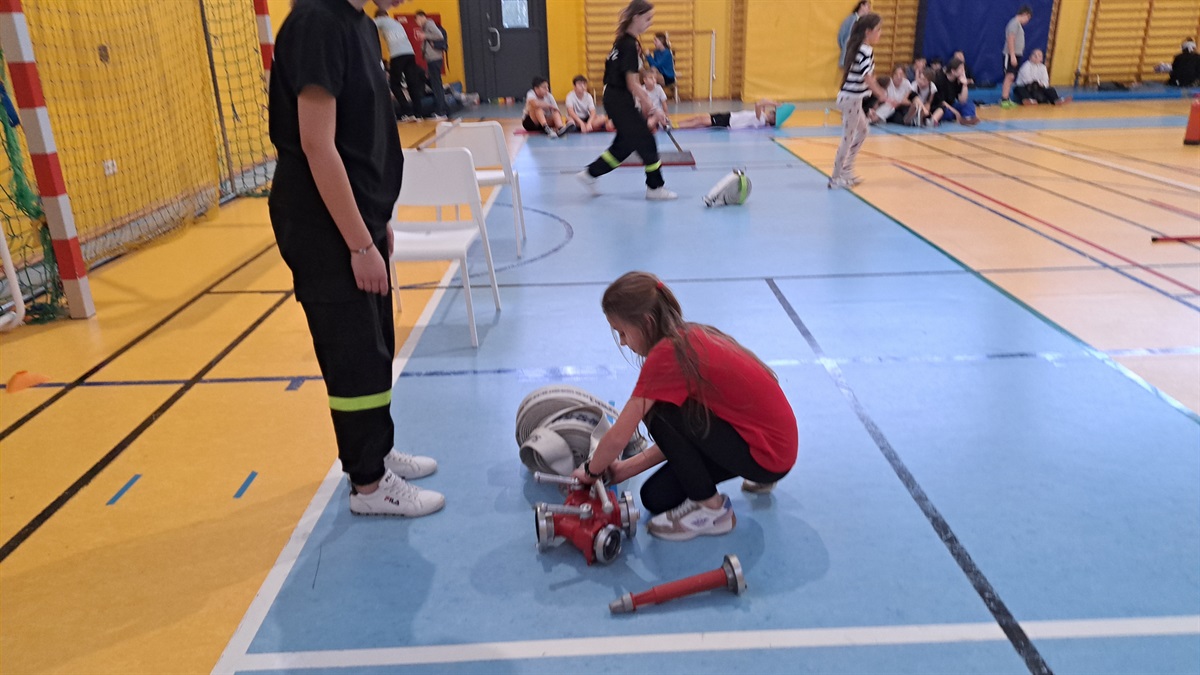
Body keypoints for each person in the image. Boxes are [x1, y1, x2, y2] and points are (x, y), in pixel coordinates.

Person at [269, 0, 443, 517]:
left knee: (376, 346)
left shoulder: (361, 25)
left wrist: (374, 217)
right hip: (324, 228)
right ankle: (368, 485)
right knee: (353, 356)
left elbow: (359, 134)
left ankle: (378, 452)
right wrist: (358, 244)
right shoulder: (317, 24)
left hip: (357, 220)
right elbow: (317, 145)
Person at [571, 272, 797, 541]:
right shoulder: (690, 334)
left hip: (766, 455)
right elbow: (687, 435)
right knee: (655, 497)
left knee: (658, 413)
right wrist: (626, 468)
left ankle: (714, 512)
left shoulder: (667, 354)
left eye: (622, 332)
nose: (622, 341)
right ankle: (731, 488)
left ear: (647, 322)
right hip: (773, 448)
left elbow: (620, 435)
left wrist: (590, 471)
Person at [576, 0, 677, 201]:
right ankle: (655, 188)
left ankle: (590, 174)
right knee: (646, 141)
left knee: (625, 144)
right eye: (647, 18)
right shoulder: (629, 45)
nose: (650, 22)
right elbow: (632, 84)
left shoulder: (621, 41)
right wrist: (654, 109)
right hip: (619, 98)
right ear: (636, 17)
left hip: (614, 97)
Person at [830, 13, 900, 189]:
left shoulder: (860, 48)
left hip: (853, 99)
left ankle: (846, 170)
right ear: (868, 32)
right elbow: (867, 77)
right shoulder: (866, 50)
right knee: (847, 138)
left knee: (863, 131)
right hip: (851, 99)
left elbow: (867, 76)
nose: (880, 33)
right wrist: (882, 95)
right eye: (878, 30)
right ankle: (836, 177)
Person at [374, 8, 423, 122]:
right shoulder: (396, 23)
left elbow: (368, 24)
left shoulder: (382, 20)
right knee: (412, 83)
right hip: (410, 53)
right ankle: (418, 114)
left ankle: (408, 111)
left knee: (394, 84)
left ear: (379, 16)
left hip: (398, 55)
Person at [414, 10, 449, 119]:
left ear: (421, 17)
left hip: (434, 58)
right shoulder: (427, 25)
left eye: (417, 20)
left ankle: (441, 112)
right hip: (433, 59)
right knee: (436, 84)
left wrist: (424, 35)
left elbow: (438, 35)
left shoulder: (429, 24)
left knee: (436, 85)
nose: (417, 23)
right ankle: (442, 109)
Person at [999, 5, 1033, 109]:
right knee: (1009, 76)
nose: (1027, 21)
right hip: (1010, 54)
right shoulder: (1014, 23)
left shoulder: (1018, 25)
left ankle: (1007, 98)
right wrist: (1012, 55)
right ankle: (1004, 99)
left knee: (1012, 77)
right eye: (1028, 18)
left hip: (1016, 54)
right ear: (1025, 14)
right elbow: (1011, 39)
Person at [674, 99, 781, 129]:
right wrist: (776, 104)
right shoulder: (763, 115)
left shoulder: (761, 121)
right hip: (729, 116)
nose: (773, 113)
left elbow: (758, 104)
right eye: (774, 112)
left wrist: (774, 104)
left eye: (774, 115)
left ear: (772, 120)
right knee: (699, 117)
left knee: (700, 121)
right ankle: (675, 123)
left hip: (728, 122)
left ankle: (676, 126)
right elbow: (763, 101)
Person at [934, 57, 979, 125]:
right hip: (940, 107)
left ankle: (967, 118)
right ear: (953, 71)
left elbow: (962, 101)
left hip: (951, 105)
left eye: (963, 69)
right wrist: (956, 112)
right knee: (947, 113)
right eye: (961, 69)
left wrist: (964, 84)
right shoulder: (940, 79)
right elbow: (941, 102)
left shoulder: (958, 79)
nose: (963, 72)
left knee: (969, 105)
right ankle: (961, 117)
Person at [837, 1, 872, 68]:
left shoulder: (866, 22)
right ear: (862, 6)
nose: (869, 9)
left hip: (860, 54)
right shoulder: (850, 19)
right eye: (868, 6)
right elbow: (841, 36)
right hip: (849, 53)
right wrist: (846, 47)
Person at [645, 33, 676, 98]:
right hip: (659, 73)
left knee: (650, 77)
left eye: (655, 40)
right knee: (649, 73)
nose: (654, 42)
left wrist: (648, 56)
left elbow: (657, 64)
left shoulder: (667, 53)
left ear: (661, 41)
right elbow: (652, 65)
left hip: (667, 76)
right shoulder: (656, 52)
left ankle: (652, 96)